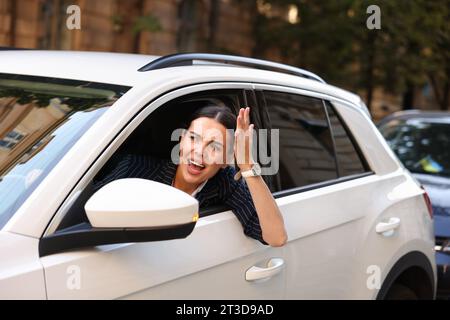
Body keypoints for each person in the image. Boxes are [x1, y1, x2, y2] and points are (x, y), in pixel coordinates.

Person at [93, 106, 287, 247]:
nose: (199, 152)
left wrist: (247, 165)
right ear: (181, 141)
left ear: (225, 161)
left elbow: (276, 237)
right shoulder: (134, 169)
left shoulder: (224, 183)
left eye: (215, 146)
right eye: (194, 138)